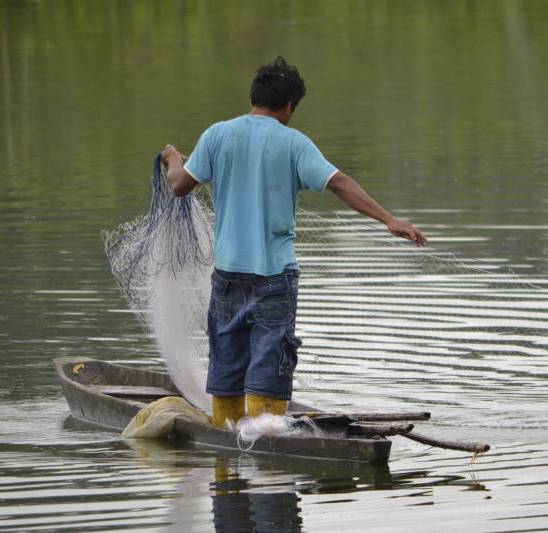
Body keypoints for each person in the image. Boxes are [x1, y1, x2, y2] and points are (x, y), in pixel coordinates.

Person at [162, 56, 426, 428]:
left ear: (254, 96)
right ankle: (268, 448)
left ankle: (226, 455)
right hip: (274, 278)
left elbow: (179, 185)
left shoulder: (217, 135)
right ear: (288, 106)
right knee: (270, 363)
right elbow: (338, 182)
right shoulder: (294, 143)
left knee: (226, 359)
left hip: (227, 276)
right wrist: (388, 219)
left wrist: (172, 157)